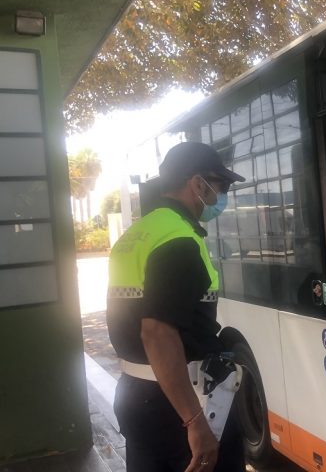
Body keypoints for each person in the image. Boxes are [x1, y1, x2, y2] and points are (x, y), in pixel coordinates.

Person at [106, 142, 246, 472]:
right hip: (179, 401)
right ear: (198, 184)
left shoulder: (137, 234)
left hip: (136, 394)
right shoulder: (179, 240)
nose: (220, 196)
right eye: (220, 186)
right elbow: (156, 332)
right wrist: (194, 421)